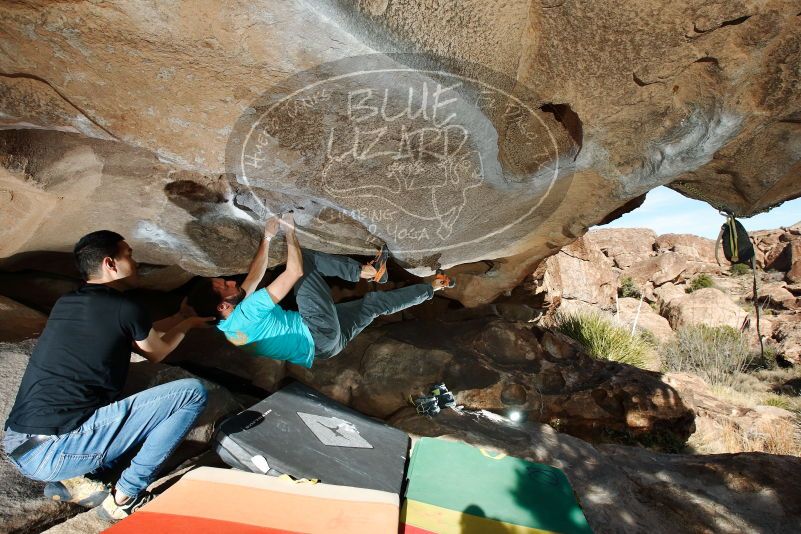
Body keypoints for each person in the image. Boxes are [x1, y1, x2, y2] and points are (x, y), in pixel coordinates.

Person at [2, 230, 215, 521]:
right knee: (191, 393)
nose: (135, 262)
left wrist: (178, 318)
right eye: (128, 255)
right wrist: (188, 323)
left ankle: (74, 479)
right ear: (110, 264)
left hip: (17, 443)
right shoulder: (126, 307)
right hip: (55, 448)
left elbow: (134, 332)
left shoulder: (67, 303)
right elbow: (156, 351)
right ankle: (125, 496)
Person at [187, 213, 454, 367]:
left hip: (327, 349)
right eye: (224, 286)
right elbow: (294, 272)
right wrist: (290, 233)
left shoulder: (229, 325)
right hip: (317, 332)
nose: (231, 282)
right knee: (306, 260)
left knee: (374, 305)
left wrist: (267, 237)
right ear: (223, 305)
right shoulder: (247, 312)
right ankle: (367, 272)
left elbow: (254, 277)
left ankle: (431, 287)